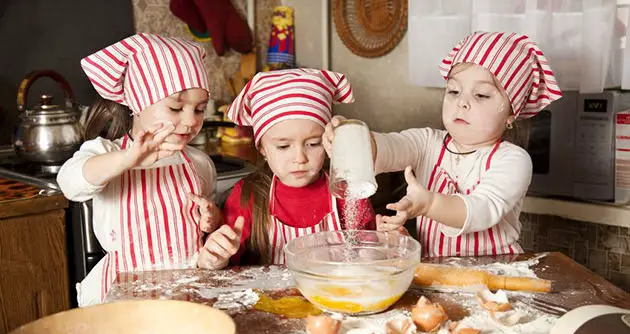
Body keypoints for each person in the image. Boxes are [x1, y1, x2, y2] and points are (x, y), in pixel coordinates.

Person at [324, 32, 563, 257]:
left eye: (481, 95)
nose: (462, 102)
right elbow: (389, 147)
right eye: (454, 90)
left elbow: (482, 210)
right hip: (439, 278)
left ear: (511, 112)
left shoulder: (513, 160)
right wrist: (351, 136)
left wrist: (429, 204)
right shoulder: (427, 142)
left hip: (498, 277)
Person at [57, 33, 240, 307]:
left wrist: (210, 220)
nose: (190, 121)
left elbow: (198, 227)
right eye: (176, 107)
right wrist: (128, 159)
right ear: (138, 103)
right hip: (122, 297)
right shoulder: (106, 154)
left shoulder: (199, 164)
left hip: (185, 291)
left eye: (200, 109)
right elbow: (71, 183)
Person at [220, 68, 376, 265]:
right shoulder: (247, 196)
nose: (300, 158)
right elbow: (224, 263)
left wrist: (388, 241)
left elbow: (370, 257)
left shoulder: (347, 193)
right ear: (262, 148)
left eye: (313, 144)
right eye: (284, 146)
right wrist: (217, 257)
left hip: (333, 294)